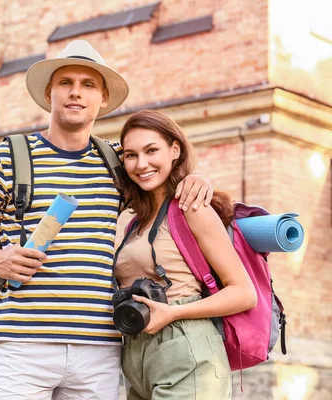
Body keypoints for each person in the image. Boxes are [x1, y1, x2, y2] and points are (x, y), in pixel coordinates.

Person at [0, 40, 213, 400]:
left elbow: (160, 179)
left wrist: (194, 178)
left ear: (102, 98)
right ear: (48, 92)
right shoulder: (6, 157)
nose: (75, 92)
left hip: (99, 349)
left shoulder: (118, 163)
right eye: (65, 82)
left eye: (88, 85)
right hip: (24, 345)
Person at [115, 110, 258, 400]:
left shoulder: (192, 207)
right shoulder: (131, 218)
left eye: (152, 150)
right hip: (136, 353)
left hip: (185, 348)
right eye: (131, 155)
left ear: (175, 150)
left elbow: (244, 293)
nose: (142, 164)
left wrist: (173, 312)